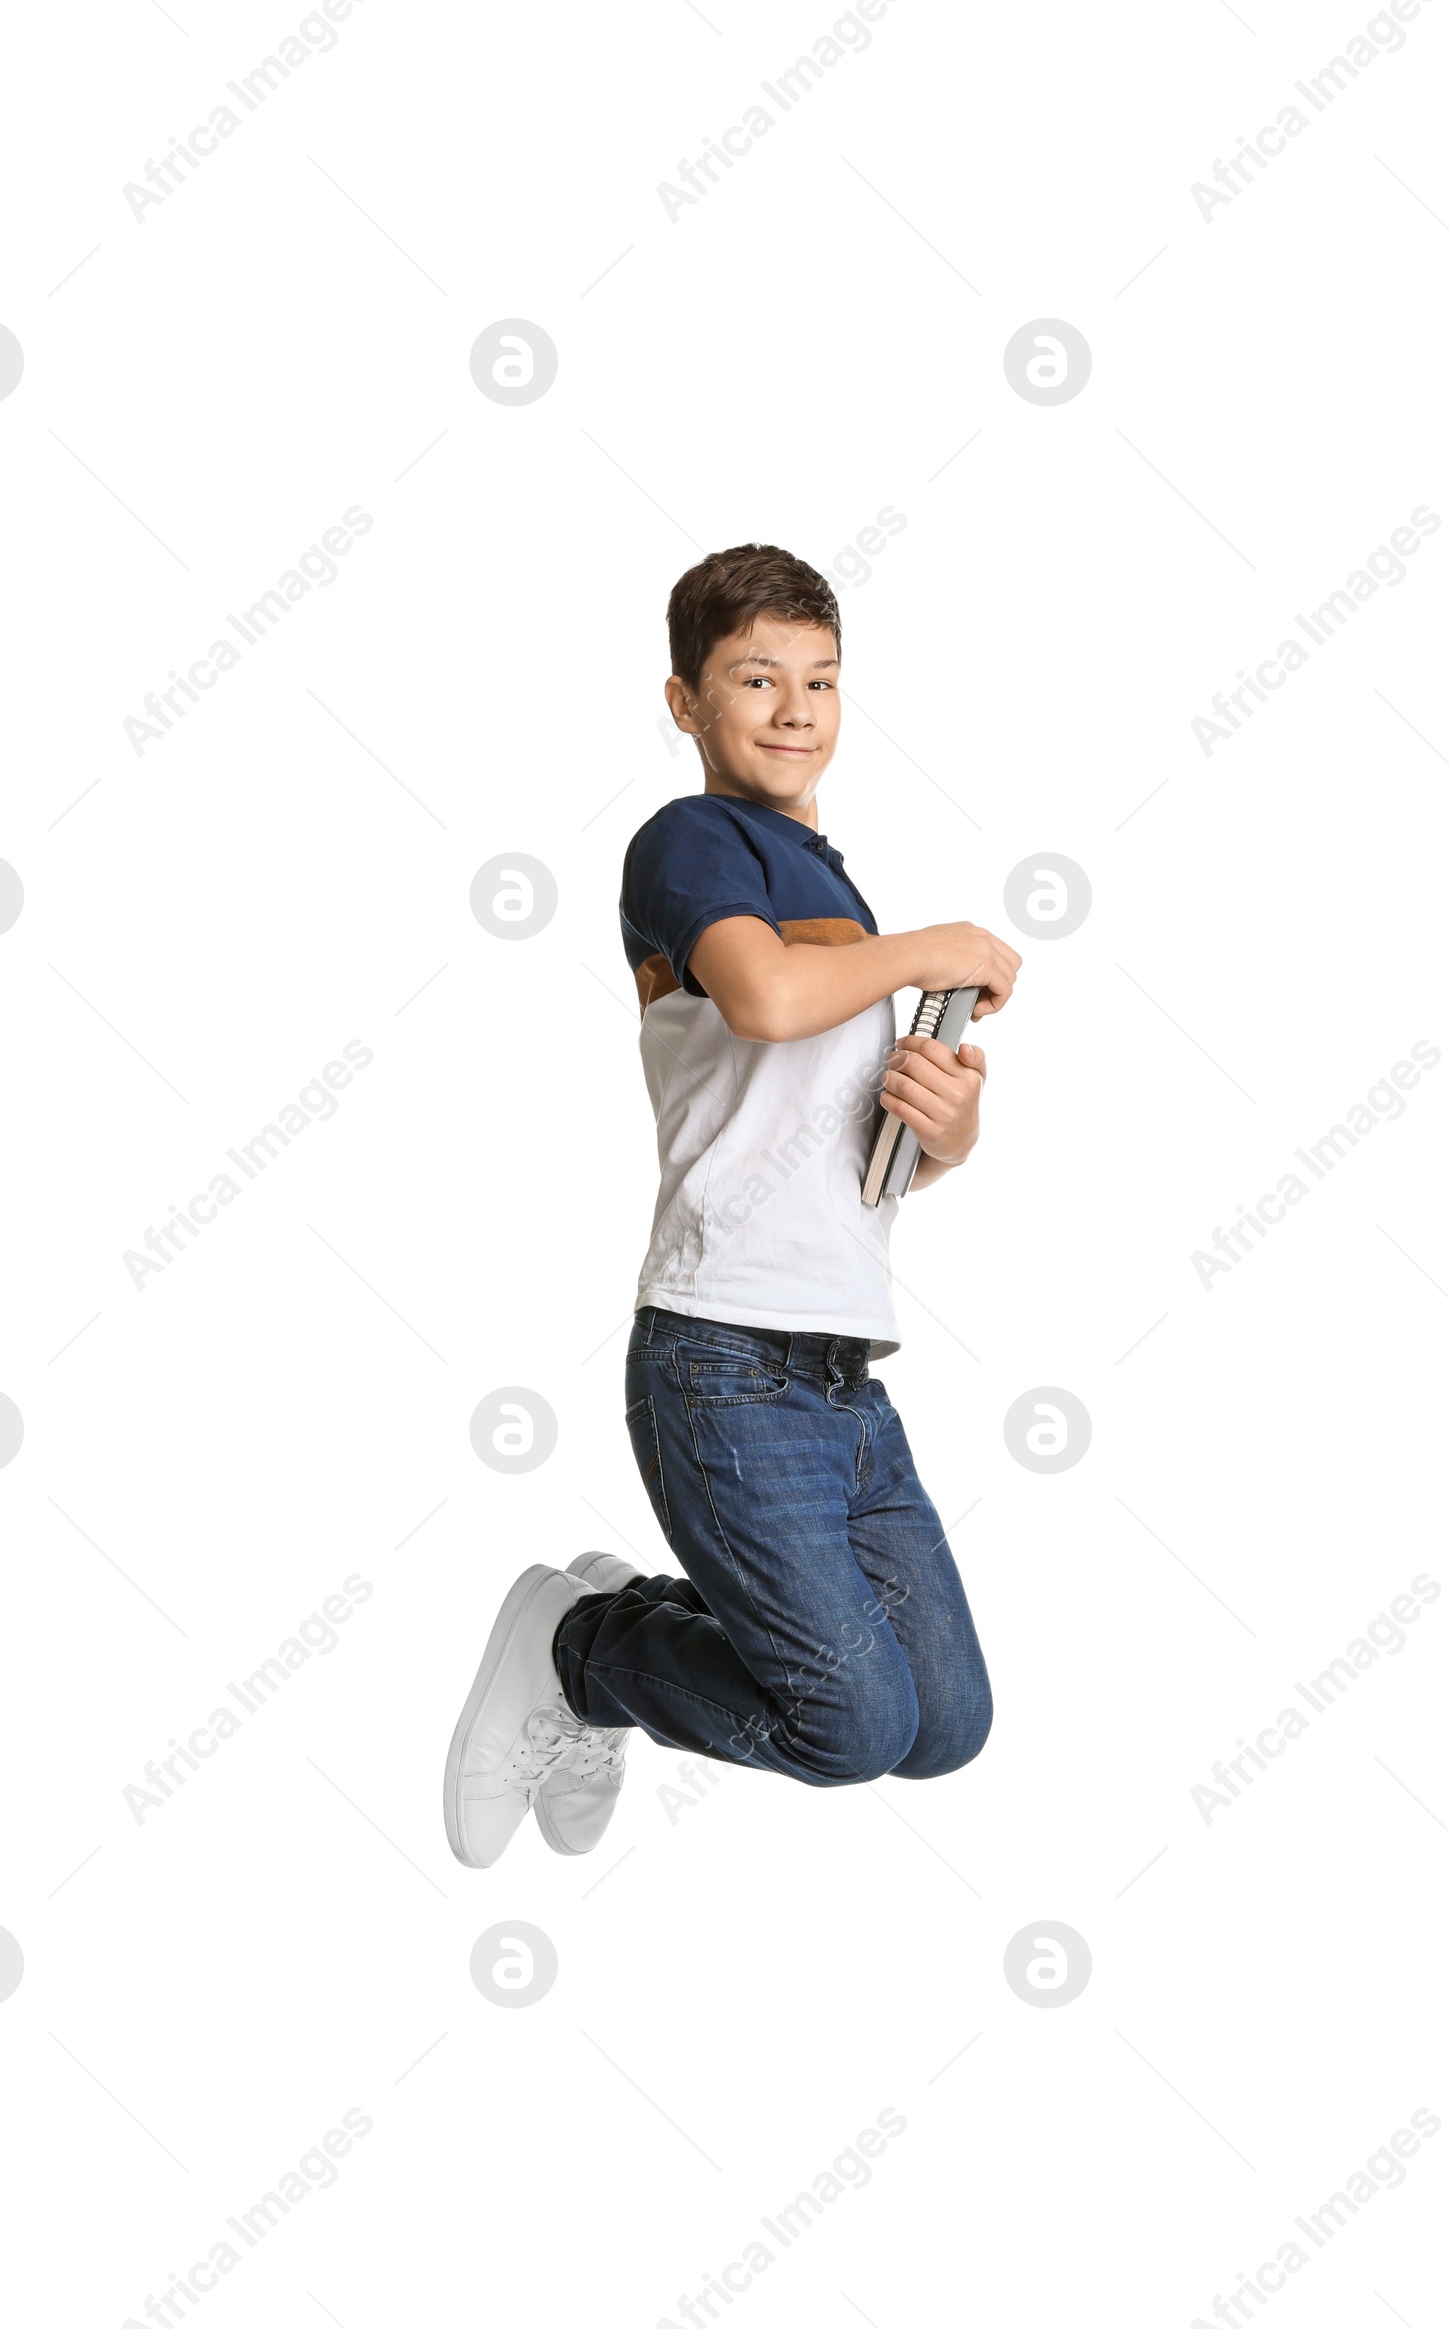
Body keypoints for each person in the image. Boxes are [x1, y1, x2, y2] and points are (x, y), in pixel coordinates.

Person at [442, 543, 1020, 1867]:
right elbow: (761, 999)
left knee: (944, 1724)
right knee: (850, 1724)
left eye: (820, 679)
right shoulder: (688, 843)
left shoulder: (842, 889)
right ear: (685, 700)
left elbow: (859, 1144)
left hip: (841, 1370)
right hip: (721, 1355)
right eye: (755, 677)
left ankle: (613, 1627)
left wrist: (951, 1124)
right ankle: (577, 1649)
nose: (794, 708)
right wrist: (937, 948)